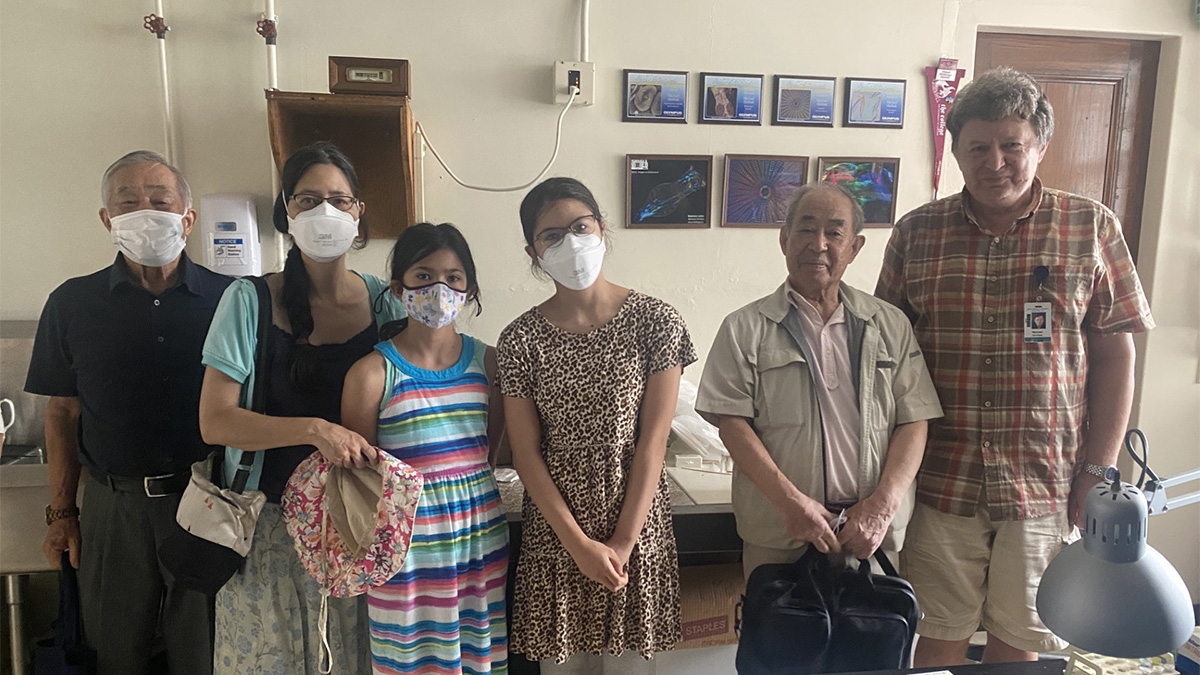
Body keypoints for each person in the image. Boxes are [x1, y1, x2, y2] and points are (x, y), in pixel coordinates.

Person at [875, 67, 1155, 664]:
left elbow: (1115, 354)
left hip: (1046, 481)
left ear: (1040, 147)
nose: (995, 162)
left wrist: (1098, 468)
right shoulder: (916, 234)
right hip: (942, 479)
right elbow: (886, 360)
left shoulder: (1090, 227)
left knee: (1024, 639)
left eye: (1012, 146)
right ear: (956, 151)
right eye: (978, 147)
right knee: (936, 633)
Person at [198, 141, 404, 674]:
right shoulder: (249, 301)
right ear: (285, 212)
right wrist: (315, 430)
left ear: (359, 213)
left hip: (357, 525)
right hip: (264, 530)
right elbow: (215, 419)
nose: (326, 212)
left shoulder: (387, 303)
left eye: (340, 199)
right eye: (308, 200)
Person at [26, 150, 232, 674]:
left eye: (160, 200)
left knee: (206, 655)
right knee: (116, 653)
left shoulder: (231, 299)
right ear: (107, 219)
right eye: (129, 202)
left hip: (206, 502)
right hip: (112, 507)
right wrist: (62, 513)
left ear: (188, 218)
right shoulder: (72, 303)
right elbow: (62, 414)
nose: (146, 211)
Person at [695, 182, 943, 579]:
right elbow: (732, 425)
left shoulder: (889, 324)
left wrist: (881, 508)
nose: (819, 243)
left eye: (834, 232)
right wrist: (793, 505)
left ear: (855, 247)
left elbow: (915, 419)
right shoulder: (745, 328)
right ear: (785, 238)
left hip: (871, 536)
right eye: (806, 229)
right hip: (781, 532)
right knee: (780, 640)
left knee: (872, 638)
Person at [496, 177, 695, 673]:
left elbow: (653, 445)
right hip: (558, 532)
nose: (571, 242)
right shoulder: (520, 339)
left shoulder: (657, 322)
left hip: (636, 524)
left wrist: (623, 542)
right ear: (532, 250)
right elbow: (525, 454)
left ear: (602, 229)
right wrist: (579, 545)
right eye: (552, 235)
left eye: (580, 227)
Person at [341, 222, 510, 674]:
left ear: (469, 289)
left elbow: (488, 450)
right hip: (405, 548)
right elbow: (359, 476)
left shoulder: (489, 362)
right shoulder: (372, 373)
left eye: (454, 278)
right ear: (399, 288)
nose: (440, 288)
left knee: (478, 655)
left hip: (479, 536)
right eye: (423, 276)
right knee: (410, 660)